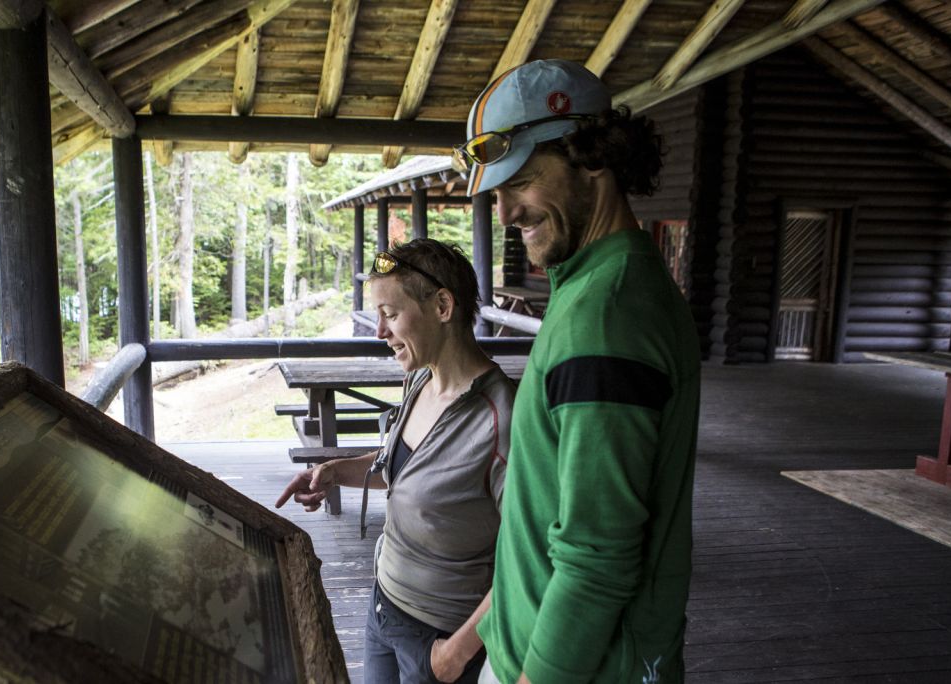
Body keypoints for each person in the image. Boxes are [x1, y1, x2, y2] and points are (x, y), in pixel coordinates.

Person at [455, 59, 701, 683]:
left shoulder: (606, 316)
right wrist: (475, 641)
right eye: (496, 190)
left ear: (593, 156)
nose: (505, 210)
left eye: (523, 180)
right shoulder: (593, 284)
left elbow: (598, 559)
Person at [275, 238, 515, 683]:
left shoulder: (503, 419)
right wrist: (332, 472)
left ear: (443, 306)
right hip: (383, 605)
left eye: (390, 315)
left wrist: (453, 655)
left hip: (442, 635)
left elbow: (529, 558)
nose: (379, 332)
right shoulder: (420, 379)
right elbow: (402, 466)